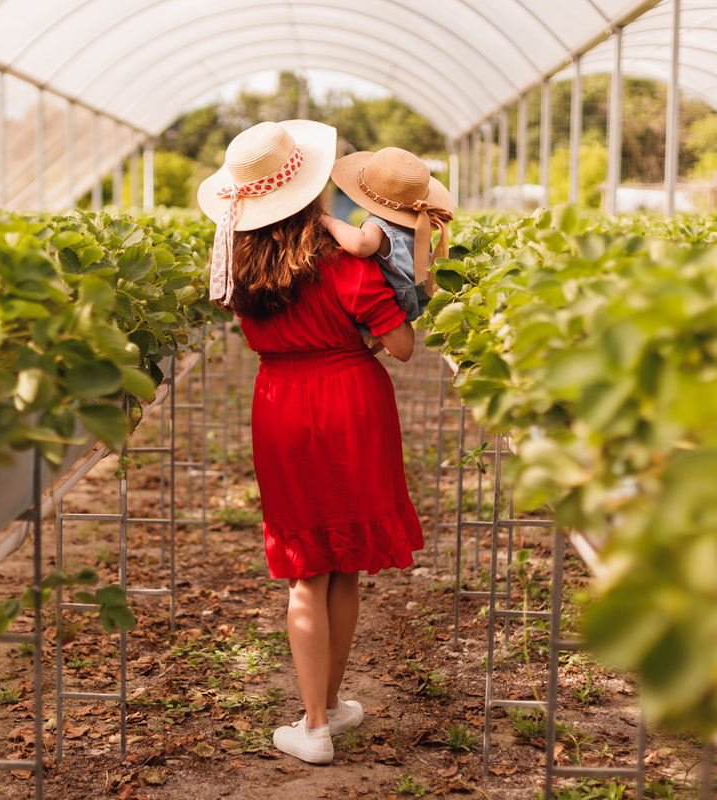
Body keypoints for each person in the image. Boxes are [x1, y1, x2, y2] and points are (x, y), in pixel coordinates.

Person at [198, 120, 425, 765]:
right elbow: (404, 348)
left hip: (282, 403)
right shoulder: (344, 263)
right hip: (352, 396)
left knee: (306, 567)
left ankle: (318, 722)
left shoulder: (241, 264)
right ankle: (321, 713)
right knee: (344, 559)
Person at [321, 147, 454, 346]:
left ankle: (375, 341)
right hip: (414, 299)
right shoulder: (417, 223)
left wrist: (329, 222)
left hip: (391, 298)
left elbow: (360, 245)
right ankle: (383, 342)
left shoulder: (378, 223)